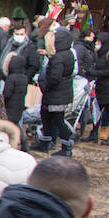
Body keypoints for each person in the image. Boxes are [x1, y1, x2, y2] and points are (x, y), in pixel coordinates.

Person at [32, 24, 78, 156]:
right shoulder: (67, 53)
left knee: (58, 120)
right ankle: (44, 142)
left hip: (56, 93)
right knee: (46, 116)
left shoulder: (58, 57)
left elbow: (55, 78)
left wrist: (46, 87)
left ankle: (66, 148)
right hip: (59, 93)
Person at [86, 28, 109, 145]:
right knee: (96, 111)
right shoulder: (100, 54)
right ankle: (94, 133)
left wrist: (95, 72)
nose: (96, 44)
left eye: (99, 41)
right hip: (101, 86)